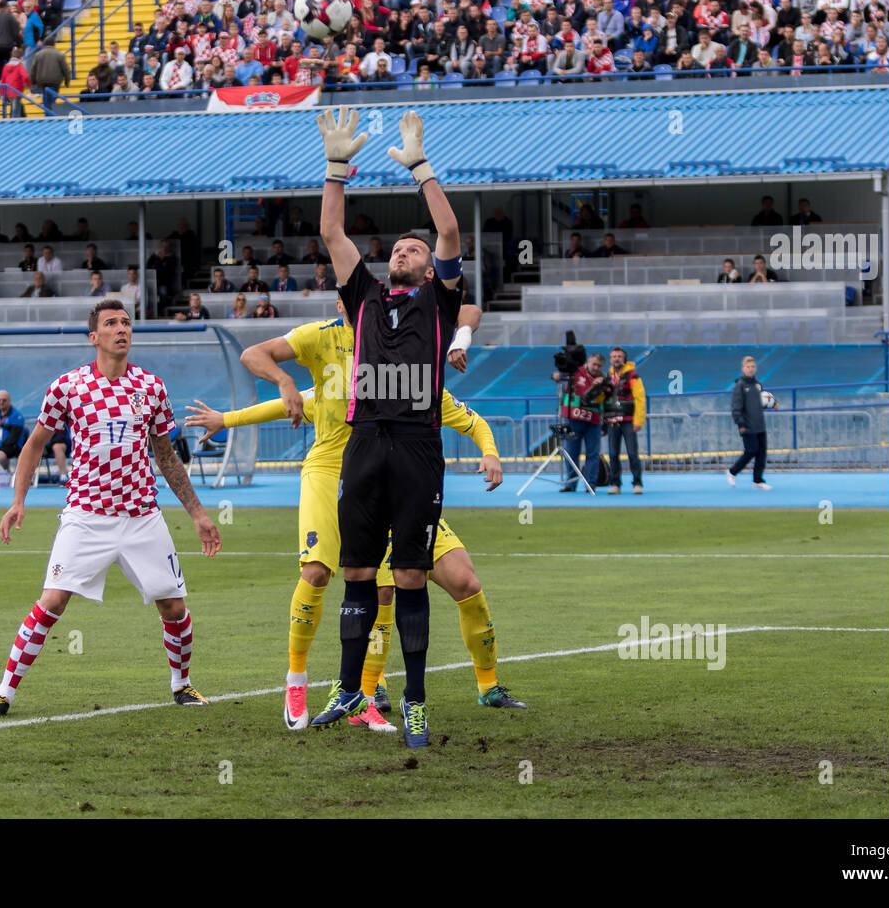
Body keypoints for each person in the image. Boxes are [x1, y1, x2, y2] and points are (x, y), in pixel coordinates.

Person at [216, 293, 519, 733]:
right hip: (332, 474)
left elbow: (468, 312)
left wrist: (462, 340)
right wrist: (228, 419)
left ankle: (412, 690)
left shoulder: (404, 357)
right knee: (322, 572)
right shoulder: (323, 342)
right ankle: (303, 683)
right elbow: (286, 390)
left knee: (444, 584)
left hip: (395, 481)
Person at [0, 299, 222, 718]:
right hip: (86, 515)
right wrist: (18, 501)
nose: (122, 329)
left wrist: (197, 513)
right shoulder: (67, 387)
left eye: (126, 322)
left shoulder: (151, 387)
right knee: (52, 601)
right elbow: (35, 444)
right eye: (111, 323)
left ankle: (182, 684)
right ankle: (3, 693)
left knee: (174, 607)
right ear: (94, 337)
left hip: (142, 515)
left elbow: (166, 456)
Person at [305, 108, 463, 748]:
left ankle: (416, 702)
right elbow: (331, 230)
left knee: (412, 578)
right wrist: (336, 168)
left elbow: (450, 229)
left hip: (418, 448)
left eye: (414, 249)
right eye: (398, 246)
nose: (403, 250)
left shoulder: (441, 302)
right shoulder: (362, 296)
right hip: (364, 445)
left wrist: (421, 166)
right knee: (358, 572)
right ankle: (349, 689)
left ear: (429, 270)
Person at [558, 352, 609, 493]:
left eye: (599, 365)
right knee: (570, 453)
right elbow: (560, 377)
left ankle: (590, 484)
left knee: (592, 454)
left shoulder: (604, 379)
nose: (596, 367)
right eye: (594, 364)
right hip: (573, 419)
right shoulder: (575, 372)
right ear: (588, 362)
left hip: (593, 422)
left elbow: (605, 400)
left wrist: (600, 387)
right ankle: (570, 484)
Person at [603, 346, 645, 494]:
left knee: (632, 453)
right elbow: (603, 398)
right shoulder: (607, 377)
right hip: (612, 421)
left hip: (628, 420)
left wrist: (638, 421)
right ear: (610, 359)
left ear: (624, 359)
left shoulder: (632, 375)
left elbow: (640, 398)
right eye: (614, 356)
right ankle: (615, 484)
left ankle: (637, 483)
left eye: (619, 356)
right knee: (613, 454)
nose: (616, 359)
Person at [727, 355, 771, 490]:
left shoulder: (757, 385)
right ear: (743, 369)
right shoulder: (740, 386)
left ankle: (758, 481)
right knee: (751, 451)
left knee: (761, 453)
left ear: (756, 368)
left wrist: (772, 404)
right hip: (747, 425)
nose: (750, 369)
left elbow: (760, 402)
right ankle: (732, 472)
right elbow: (736, 407)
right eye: (748, 367)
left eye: (752, 367)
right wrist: (740, 423)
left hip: (760, 425)